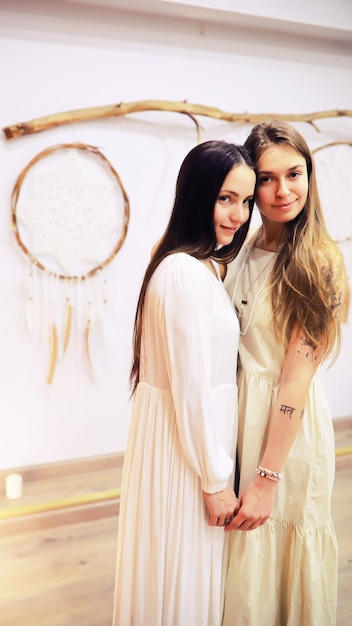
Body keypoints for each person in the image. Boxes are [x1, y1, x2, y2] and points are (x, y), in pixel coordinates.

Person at [112, 140, 256, 626]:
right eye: (226, 198)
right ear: (197, 195)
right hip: (188, 457)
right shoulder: (182, 274)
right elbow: (192, 389)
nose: (239, 214)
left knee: (182, 577)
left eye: (246, 201)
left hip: (190, 450)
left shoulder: (194, 266)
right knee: (179, 579)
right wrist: (216, 480)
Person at [222, 120, 350, 626]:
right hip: (236, 416)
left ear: (309, 175)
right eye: (267, 178)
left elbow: (295, 380)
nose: (282, 191)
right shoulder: (239, 249)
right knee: (244, 565)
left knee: (281, 548)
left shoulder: (318, 262)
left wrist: (267, 478)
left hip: (286, 433)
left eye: (293, 174)